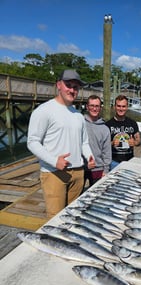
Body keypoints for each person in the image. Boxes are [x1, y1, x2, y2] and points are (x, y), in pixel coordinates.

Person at [27, 69, 95, 219]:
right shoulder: (44, 110)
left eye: (75, 87)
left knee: (73, 217)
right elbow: (32, 142)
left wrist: (89, 156)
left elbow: (84, 142)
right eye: (68, 85)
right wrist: (54, 161)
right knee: (55, 220)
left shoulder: (78, 115)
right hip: (54, 173)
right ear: (59, 85)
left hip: (78, 173)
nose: (72, 90)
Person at [105, 94, 141, 170]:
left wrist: (134, 142)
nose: (121, 109)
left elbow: (139, 141)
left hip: (129, 162)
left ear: (127, 107)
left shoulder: (133, 123)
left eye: (123, 106)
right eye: (119, 106)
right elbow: (103, 145)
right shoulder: (107, 125)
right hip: (113, 162)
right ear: (115, 107)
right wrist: (112, 143)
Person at [84, 95, 112, 186]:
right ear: (87, 107)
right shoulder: (80, 123)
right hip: (80, 168)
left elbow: (106, 152)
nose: (94, 109)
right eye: (92, 106)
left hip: (98, 168)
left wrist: (106, 170)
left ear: (100, 108)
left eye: (97, 106)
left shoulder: (104, 129)